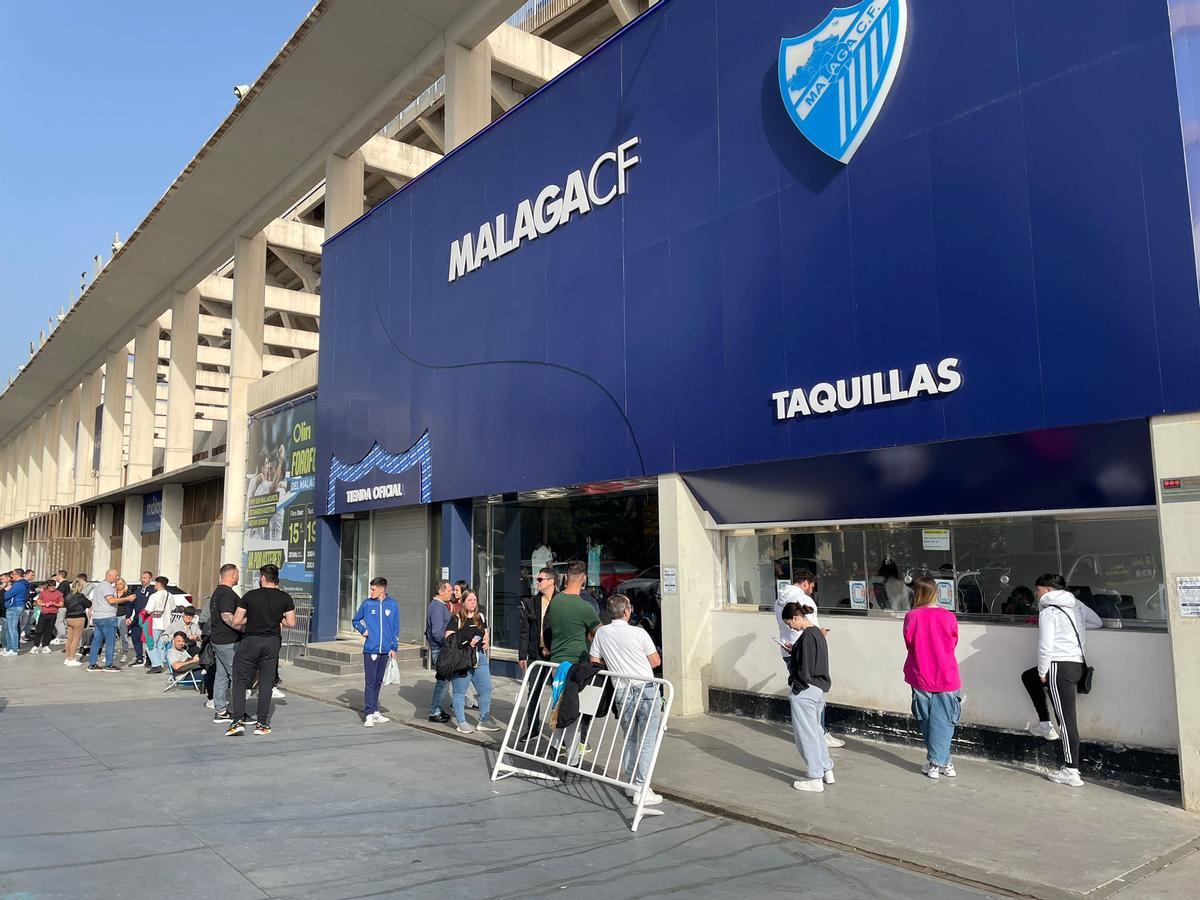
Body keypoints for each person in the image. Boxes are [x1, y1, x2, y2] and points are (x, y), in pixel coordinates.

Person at [1021, 574, 1103, 787]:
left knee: (1066, 721)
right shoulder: (1076, 605)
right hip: (1077, 665)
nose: (1036, 594)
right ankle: (1045, 724)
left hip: (1058, 666)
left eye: (1037, 590)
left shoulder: (1048, 612)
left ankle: (1071, 770)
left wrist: (1042, 670)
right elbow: (1097, 621)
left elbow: (1045, 645)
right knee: (1028, 677)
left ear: (1048, 590)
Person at [589, 593, 664, 807]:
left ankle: (632, 784)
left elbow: (594, 659)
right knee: (648, 739)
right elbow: (655, 661)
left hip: (621, 689)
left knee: (629, 738)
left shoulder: (602, 633)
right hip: (645, 688)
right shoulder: (638, 633)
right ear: (627, 612)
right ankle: (642, 786)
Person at [775, 571, 844, 749]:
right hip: (807, 654)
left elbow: (790, 628)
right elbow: (810, 630)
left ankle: (809, 732)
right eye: (812, 586)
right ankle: (820, 734)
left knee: (801, 694)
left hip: (789, 651)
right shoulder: (804, 601)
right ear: (805, 582)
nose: (812, 590)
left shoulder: (779, 600)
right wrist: (821, 634)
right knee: (816, 694)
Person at [226, 564, 296, 736]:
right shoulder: (285, 597)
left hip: (251, 641)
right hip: (272, 642)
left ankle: (237, 721)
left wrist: (251, 619)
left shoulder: (250, 596)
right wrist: (277, 620)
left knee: (240, 679)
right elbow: (291, 623)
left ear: (263, 578)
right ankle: (262, 723)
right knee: (266, 682)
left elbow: (236, 621)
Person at [903, 576, 961, 780]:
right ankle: (943, 762)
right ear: (936, 592)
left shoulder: (912, 616)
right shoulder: (948, 617)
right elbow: (953, 642)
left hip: (921, 673)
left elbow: (909, 643)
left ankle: (936, 762)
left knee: (926, 719)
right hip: (946, 674)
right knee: (944, 720)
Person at [544, 562, 601, 760]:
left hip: (556, 663)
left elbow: (548, 629)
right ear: (584, 579)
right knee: (574, 713)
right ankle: (572, 759)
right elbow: (600, 634)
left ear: (566, 578)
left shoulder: (556, 601)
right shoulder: (584, 607)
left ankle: (556, 750)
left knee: (561, 709)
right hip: (576, 666)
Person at [784, 601, 834, 793]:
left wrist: (796, 686)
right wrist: (794, 651)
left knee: (805, 734)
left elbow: (805, 670)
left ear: (797, 618)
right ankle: (826, 769)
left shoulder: (806, 637)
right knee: (816, 731)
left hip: (805, 689)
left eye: (790, 623)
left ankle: (815, 777)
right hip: (819, 688)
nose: (790, 627)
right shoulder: (817, 634)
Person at [443, 589, 499, 734]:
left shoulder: (480, 617)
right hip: (462, 660)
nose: (473, 603)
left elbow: (485, 633)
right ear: (463, 602)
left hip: (480, 658)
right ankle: (461, 723)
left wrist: (486, 641)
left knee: (485, 690)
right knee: (459, 692)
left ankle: (484, 720)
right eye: (469, 600)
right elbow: (448, 639)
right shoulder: (456, 618)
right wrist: (467, 642)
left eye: (474, 600)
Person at [515, 565, 556, 745]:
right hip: (536, 654)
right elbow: (524, 631)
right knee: (534, 692)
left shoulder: (561, 601)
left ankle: (561, 734)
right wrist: (522, 655)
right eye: (536, 579)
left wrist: (552, 648)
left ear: (551, 581)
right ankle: (532, 728)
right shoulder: (532, 602)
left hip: (555, 655)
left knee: (560, 693)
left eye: (540, 579)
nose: (537, 582)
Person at [352, 576, 399, 727]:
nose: (371, 591)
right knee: (370, 682)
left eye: (373, 589)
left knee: (378, 681)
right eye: (370, 589)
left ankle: (375, 710)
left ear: (382, 589)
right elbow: (355, 620)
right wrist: (363, 630)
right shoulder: (367, 604)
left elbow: (395, 628)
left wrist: (393, 647)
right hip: (370, 649)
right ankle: (369, 713)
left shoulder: (392, 604)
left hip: (385, 650)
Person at [208, 564, 242, 725]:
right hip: (228, 642)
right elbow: (227, 616)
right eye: (238, 573)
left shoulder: (217, 592)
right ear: (233, 575)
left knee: (221, 676)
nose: (239, 576)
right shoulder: (227, 594)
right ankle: (238, 713)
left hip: (218, 640)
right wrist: (244, 628)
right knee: (236, 675)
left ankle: (221, 711)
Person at [425, 579, 453, 723]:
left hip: (440, 648)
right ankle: (435, 711)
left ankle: (437, 709)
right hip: (440, 649)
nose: (451, 593)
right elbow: (437, 632)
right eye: (449, 591)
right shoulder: (437, 607)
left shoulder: (441, 605)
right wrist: (449, 643)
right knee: (442, 681)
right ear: (440, 592)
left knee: (444, 680)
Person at [87, 569, 122, 672]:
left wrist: (92, 609)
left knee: (96, 641)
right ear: (110, 575)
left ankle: (92, 664)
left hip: (98, 617)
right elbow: (110, 600)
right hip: (107, 617)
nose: (117, 578)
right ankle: (109, 665)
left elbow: (95, 601)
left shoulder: (99, 586)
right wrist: (126, 598)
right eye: (116, 576)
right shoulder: (107, 586)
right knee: (110, 641)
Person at [141, 576, 173, 674]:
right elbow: (172, 608)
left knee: (150, 644)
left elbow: (148, 610)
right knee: (160, 644)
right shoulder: (170, 595)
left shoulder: (154, 596)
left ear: (158, 584)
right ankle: (161, 662)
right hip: (166, 624)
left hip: (155, 623)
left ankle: (156, 665)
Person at [62, 578, 90, 666]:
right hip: (78, 617)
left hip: (69, 617)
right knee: (76, 639)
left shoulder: (68, 596)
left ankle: (67, 658)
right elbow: (88, 604)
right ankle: (72, 658)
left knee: (69, 639)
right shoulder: (80, 596)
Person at [129, 571, 154, 667]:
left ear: (150, 579)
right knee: (136, 638)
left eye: (145, 578)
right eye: (142, 578)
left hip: (148, 619)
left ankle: (149, 659)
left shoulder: (153, 591)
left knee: (148, 640)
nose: (143, 580)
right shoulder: (137, 591)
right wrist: (128, 616)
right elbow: (130, 605)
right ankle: (139, 658)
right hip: (137, 619)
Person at [3, 568, 29, 656]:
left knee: (12, 629)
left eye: (13, 574)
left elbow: (7, 595)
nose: (11, 576)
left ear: (17, 575)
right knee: (9, 628)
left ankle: (13, 649)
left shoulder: (19, 585)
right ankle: (9, 648)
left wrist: (7, 590)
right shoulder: (21, 584)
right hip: (15, 606)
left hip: (14, 606)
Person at [33, 581, 64, 652]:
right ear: (48, 587)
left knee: (49, 630)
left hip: (53, 613)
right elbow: (38, 602)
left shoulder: (58, 593)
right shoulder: (43, 593)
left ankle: (45, 645)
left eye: (53, 587)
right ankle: (36, 645)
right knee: (39, 629)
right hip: (44, 613)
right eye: (50, 587)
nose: (51, 589)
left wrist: (53, 603)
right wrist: (45, 604)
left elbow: (61, 604)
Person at [114, 577, 135, 662]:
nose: (118, 586)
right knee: (112, 635)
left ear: (123, 584)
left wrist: (129, 617)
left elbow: (130, 606)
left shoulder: (127, 594)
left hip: (123, 616)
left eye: (120, 584)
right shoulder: (113, 593)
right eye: (117, 584)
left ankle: (125, 653)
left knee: (124, 635)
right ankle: (111, 653)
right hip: (113, 615)